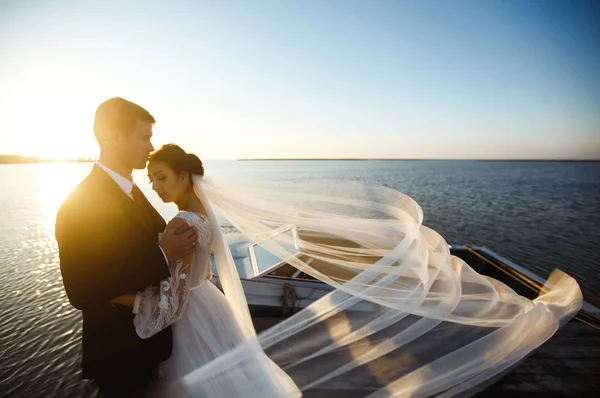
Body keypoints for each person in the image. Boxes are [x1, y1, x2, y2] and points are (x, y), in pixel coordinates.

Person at [111, 144, 302, 397]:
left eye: (161, 177)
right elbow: (207, 274)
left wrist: (124, 299)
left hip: (189, 319)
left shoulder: (180, 223)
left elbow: (174, 307)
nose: (155, 187)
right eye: (151, 180)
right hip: (209, 303)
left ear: (183, 177)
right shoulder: (205, 216)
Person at [55, 98, 199, 397]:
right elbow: (80, 289)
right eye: (144, 136)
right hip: (119, 357)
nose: (150, 146)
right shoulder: (79, 204)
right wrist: (163, 254)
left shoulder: (133, 191)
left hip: (151, 347)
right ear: (114, 137)